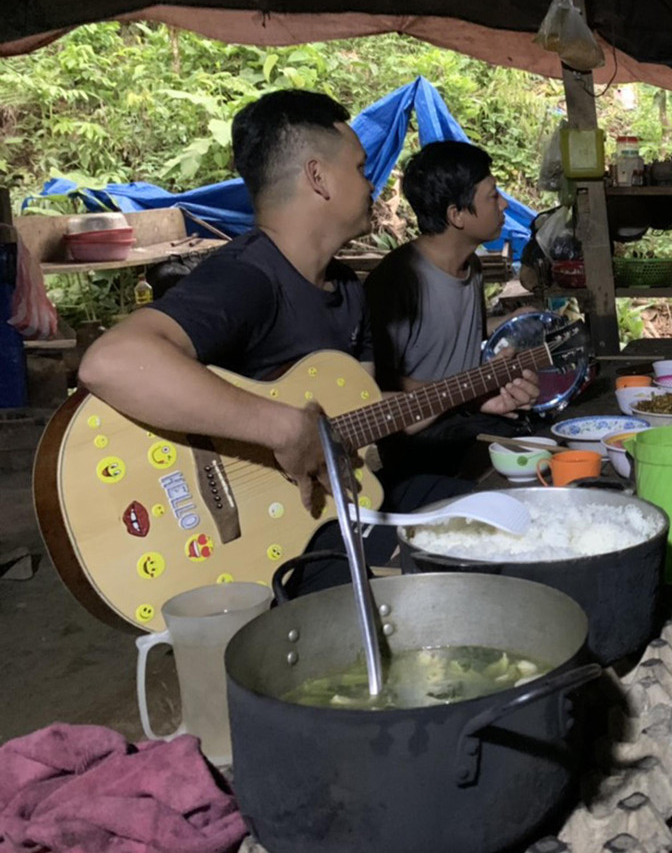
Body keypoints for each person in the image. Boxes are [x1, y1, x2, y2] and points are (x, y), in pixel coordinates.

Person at [77, 90, 537, 558]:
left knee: (515, 515)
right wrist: (284, 429)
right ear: (318, 178)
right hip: (266, 536)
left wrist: (469, 393)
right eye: (360, 168)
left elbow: (367, 413)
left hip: (338, 505)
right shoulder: (249, 277)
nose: (370, 184)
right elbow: (111, 361)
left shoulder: (345, 288)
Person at [365, 140, 539, 482]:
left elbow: (443, 333)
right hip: (417, 438)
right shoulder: (398, 280)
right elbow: (374, 385)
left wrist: (508, 322)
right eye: (492, 196)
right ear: (456, 215)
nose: (504, 203)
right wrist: (467, 392)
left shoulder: (468, 264)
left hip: (463, 412)